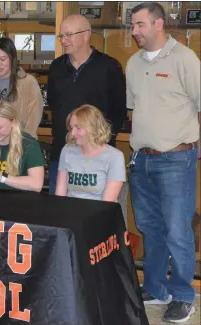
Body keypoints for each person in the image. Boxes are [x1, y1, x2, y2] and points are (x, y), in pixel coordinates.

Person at [127, 2, 200, 323]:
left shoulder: (185, 58)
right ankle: (156, 287)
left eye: (140, 25)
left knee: (176, 230)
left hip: (177, 158)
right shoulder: (132, 63)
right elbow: (135, 110)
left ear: (159, 24)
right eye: (132, 26)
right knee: (150, 228)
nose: (134, 31)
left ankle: (184, 294)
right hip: (141, 160)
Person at [47, 14, 127, 195]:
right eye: (61, 36)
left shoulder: (109, 67)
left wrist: (101, 142)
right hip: (62, 154)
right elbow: (53, 104)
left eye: (69, 35)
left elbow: (119, 111)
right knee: (58, 214)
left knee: (95, 215)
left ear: (86, 35)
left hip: (98, 157)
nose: (63, 40)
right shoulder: (56, 68)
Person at [55, 104, 126, 202]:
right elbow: (60, 194)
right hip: (70, 212)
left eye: (78, 128)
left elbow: (107, 203)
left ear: (92, 128)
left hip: (99, 214)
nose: (72, 133)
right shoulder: (67, 150)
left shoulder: (114, 156)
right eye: (71, 128)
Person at [0, 37, 43, 138]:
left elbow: (33, 122)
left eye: (3, 59)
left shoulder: (29, 83)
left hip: (21, 144)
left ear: (12, 59)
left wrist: (20, 144)